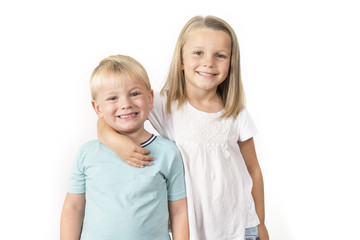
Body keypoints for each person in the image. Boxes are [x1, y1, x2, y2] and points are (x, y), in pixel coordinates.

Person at [98, 16, 269, 240]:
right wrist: (114, 141)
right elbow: (108, 118)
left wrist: (261, 223)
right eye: (198, 53)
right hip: (189, 228)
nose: (209, 62)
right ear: (181, 60)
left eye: (220, 55)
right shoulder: (164, 104)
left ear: (231, 63)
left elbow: (253, 169)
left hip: (239, 227)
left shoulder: (235, 111)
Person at [60, 55, 189, 240]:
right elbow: (73, 207)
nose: (125, 104)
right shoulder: (86, 153)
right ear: (98, 109)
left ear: (150, 98)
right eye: (112, 98)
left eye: (134, 94)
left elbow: (179, 212)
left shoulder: (168, 152)